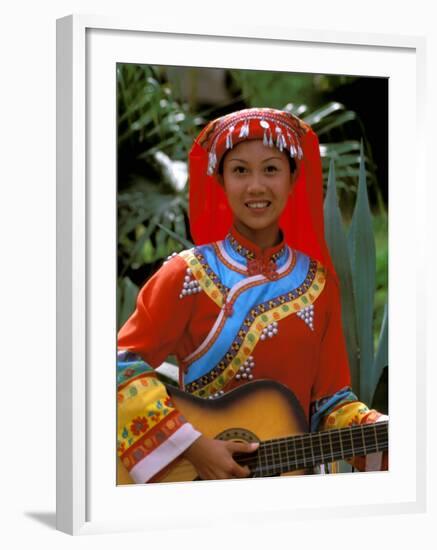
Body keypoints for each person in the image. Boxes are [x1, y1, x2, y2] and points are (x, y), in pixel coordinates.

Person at [117, 107, 388, 483]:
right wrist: (192, 446)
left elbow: (329, 404)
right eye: (240, 170)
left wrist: (384, 431)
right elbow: (116, 367)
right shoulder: (185, 275)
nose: (256, 186)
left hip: (295, 485)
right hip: (201, 486)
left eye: (271, 169)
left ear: (294, 178)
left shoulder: (317, 284)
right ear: (221, 180)